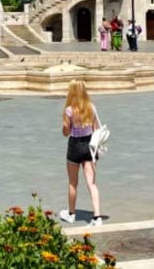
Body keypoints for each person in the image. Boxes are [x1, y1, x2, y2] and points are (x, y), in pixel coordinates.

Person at [59, 79, 103, 227]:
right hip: (89, 145)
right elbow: (96, 128)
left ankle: (71, 214)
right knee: (92, 183)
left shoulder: (69, 110)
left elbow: (66, 132)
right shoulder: (91, 107)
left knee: (73, 182)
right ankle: (97, 217)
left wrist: (66, 126)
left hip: (75, 145)